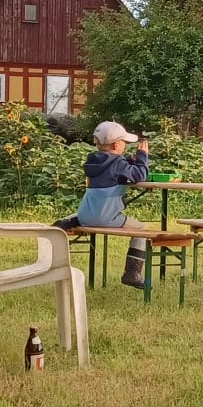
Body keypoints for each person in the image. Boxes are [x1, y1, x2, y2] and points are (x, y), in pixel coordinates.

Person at [54, 122, 151, 288]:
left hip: (85, 215)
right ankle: (132, 273)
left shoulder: (93, 161)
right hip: (106, 218)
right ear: (117, 144)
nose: (126, 146)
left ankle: (68, 220)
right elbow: (140, 176)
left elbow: (111, 170)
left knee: (87, 213)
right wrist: (142, 157)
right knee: (141, 229)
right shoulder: (118, 165)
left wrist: (129, 161)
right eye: (125, 143)